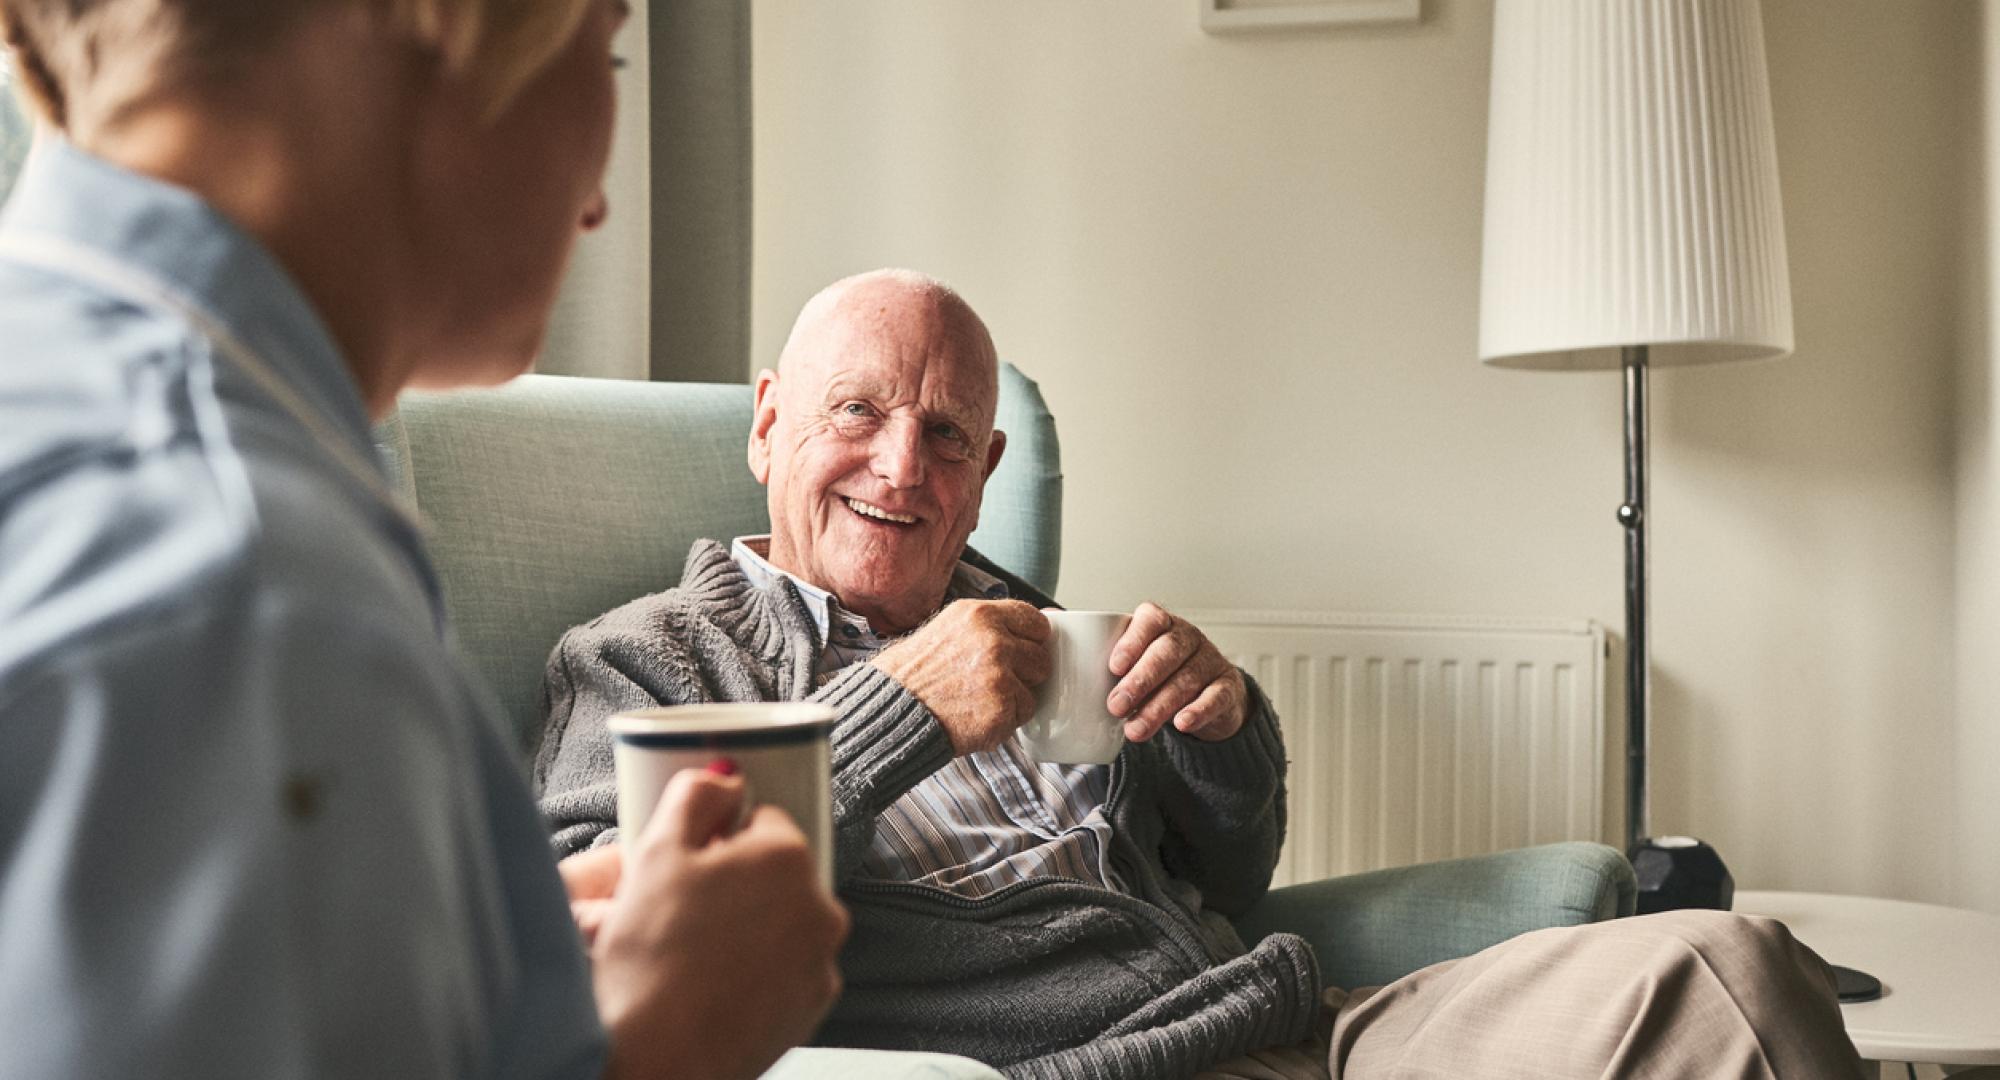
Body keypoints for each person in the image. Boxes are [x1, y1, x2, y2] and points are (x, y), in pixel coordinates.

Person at [534, 268, 1868, 1080]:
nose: (903, 467)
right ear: (770, 421)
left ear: (988, 477)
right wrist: (907, 707)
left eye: (948, 435)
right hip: (1061, 1071)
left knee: (1731, 977)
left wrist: (1216, 740)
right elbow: (600, 941)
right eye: (858, 412)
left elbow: (1225, 887)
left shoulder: (1037, 631)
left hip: (1305, 1026)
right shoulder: (643, 656)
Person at [0, 3, 845, 1078]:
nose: (601, 195)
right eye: (607, 46)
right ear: (428, 25)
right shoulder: (255, 603)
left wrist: (480, 960)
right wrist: (667, 1042)